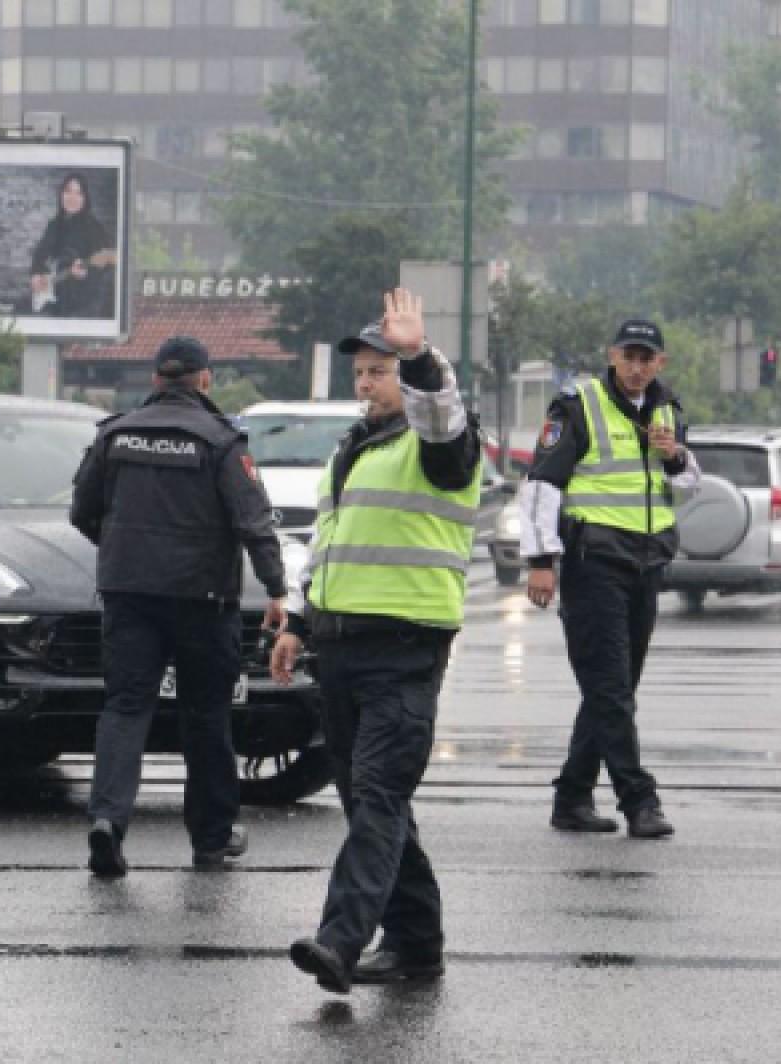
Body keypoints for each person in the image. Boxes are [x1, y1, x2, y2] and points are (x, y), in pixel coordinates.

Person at [272, 289, 482, 995]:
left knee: (380, 794)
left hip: (406, 645)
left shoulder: (441, 443)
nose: (365, 384)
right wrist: (298, 626)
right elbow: (328, 543)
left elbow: (444, 420)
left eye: (378, 371)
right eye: (359, 372)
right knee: (370, 800)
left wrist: (419, 356)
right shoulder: (354, 448)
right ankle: (417, 944)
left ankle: (340, 940)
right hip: (342, 646)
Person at [70, 335, 287, 878]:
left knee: (124, 708)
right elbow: (253, 522)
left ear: (155, 378)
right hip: (202, 600)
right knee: (206, 716)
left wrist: (125, 553)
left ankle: (107, 823)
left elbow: (82, 511)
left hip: (129, 595)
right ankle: (211, 839)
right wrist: (276, 589)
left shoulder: (114, 435)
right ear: (205, 379)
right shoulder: (221, 441)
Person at [516, 318, 701, 840]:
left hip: (646, 562)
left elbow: (689, 485)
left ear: (660, 362)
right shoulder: (579, 404)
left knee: (612, 690)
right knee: (612, 690)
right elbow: (542, 485)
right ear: (612, 356)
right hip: (593, 563)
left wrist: (675, 456)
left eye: (648, 358)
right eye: (630, 356)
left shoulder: (667, 408)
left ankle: (572, 796)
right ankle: (639, 799)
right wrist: (539, 561)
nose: (638, 367)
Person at [29, 173, 116, 319]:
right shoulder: (54, 225)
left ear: (85, 199)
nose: (72, 198)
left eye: (78, 193)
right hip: (56, 303)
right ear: (61, 194)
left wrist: (87, 274)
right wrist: (36, 274)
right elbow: (39, 255)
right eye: (68, 191)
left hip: (83, 307)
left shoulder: (94, 228)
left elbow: (108, 268)